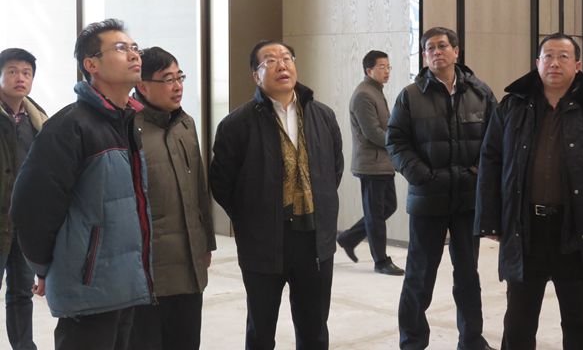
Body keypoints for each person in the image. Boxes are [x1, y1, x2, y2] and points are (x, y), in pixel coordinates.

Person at [475, 32, 583, 350]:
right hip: (525, 229)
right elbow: (490, 162)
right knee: (518, 322)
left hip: (576, 230)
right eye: (548, 56)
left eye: (563, 56)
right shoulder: (512, 106)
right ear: (537, 63)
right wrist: (490, 219)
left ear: (578, 65)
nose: (555, 63)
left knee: (579, 321)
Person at [10, 19, 154, 350]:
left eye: (135, 48)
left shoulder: (128, 122)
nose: (134, 54)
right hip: (88, 290)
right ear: (91, 65)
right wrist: (48, 266)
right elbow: (31, 207)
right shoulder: (70, 126)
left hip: (124, 285)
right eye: (121, 48)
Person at [210, 40, 343, 350]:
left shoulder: (323, 115)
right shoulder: (236, 124)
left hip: (314, 239)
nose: (282, 65)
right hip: (263, 241)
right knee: (261, 329)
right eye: (270, 61)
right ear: (255, 76)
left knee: (314, 329)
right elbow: (222, 184)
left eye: (287, 58)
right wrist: (252, 219)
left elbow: (333, 170)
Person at [387, 27, 497, 350]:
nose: (436, 52)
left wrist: (478, 173)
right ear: (424, 57)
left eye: (442, 46)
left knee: (468, 276)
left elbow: (495, 140)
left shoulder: (480, 92)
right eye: (430, 48)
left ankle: (472, 340)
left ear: (456, 51)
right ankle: (412, 342)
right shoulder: (410, 95)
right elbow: (395, 141)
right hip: (427, 198)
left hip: (468, 200)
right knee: (419, 276)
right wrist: (421, 175)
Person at [128, 47, 216, 350]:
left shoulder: (185, 123)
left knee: (187, 340)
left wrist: (207, 242)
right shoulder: (128, 128)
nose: (177, 86)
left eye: (180, 77)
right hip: (149, 268)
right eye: (168, 79)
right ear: (142, 86)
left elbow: (199, 189)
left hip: (189, 263)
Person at [337, 50, 404, 275]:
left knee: (388, 206)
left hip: (382, 163)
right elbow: (373, 133)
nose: (387, 71)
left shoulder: (375, 90)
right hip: (371, 164)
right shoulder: (364, 95)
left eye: (388, 66)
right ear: (369, 70)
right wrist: (398, 144)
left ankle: (348, 237)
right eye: (382, 67)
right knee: (376, 214)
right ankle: (381, 261)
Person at [0, 48, 48, 350]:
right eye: (13, 71)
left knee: (20, 292)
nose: (21, 78)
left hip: (23, 223)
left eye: (26, 73)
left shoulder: (38, 121)